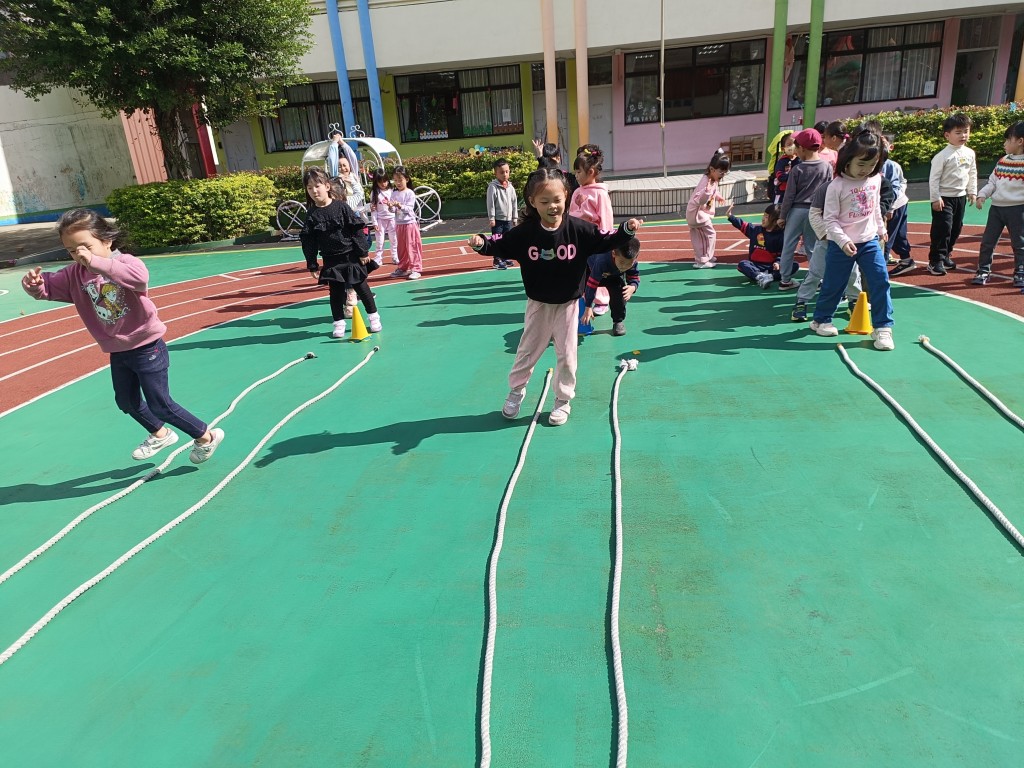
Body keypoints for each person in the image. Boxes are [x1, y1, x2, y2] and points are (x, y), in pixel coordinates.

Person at [21, 209, 225, 463]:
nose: (79, 254)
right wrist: (34, 285)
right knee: (126, 401)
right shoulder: (75, 274)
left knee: (160, 404)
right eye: (71, 250)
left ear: (107, 240)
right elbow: (48, 287)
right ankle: (160, 434)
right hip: (118, 350)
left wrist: (95, 262)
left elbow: (139, 279)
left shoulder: (126, 263)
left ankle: (206, 437)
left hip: (147, 346)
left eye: (85, 247)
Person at [468, 167, 643, 426]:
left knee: (567, 355)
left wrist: (626, 230)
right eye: (544, 201)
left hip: (568, 306)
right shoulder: (525, 233)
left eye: (557, 200)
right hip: (538, 305)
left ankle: (562, 399)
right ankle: (516, 390)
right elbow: (500, 244)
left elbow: (606, 239)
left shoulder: (579, 230)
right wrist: (481, 243)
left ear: (567, 197)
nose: (552, 206)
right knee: (527, 352)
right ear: (532, 202)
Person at [810, 130, 895, 351]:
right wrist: (842, 240)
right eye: (861, 164)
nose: (866, 169)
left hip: (869, 241)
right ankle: (821, 320)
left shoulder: (875, 179)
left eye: (872, 164)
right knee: (834, 283)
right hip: (841, 244)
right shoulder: (836, 186)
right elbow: (829, 219)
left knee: (880, 279)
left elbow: (874, 208)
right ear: (848, 160)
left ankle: (883, 327)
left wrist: (881, 228)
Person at [300, 167, 382, 338]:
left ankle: (374, 318)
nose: (314, 191)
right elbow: (308, 241)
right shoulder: (311, 215)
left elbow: (356, 229)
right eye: (309, 188)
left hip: (350, 256)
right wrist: (312, 264)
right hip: (331, 260)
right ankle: (338, 323)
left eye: (317, 186)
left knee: (362, 288)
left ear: (327, 186)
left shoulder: (341, 207)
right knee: (336, 294)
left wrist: (362, 251)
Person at [777, 128, 833, 290]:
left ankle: (785, 280)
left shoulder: (797, 169)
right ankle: (818, 279)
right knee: (813, 247)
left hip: (796, 211)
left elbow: (789, 196)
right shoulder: (827, 167)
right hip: (816, 212)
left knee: (789, 245)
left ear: (801, 148)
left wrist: (782, 216)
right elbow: (829, 192)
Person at [972, 121, 1024, 287]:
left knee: (1020, 243)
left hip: (1018, 210)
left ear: (1020, 141)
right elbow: (992, 182)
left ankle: (1020, 272)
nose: (1004, 144)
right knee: (988, 241)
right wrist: (982, 195)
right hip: (997, 209)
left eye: (1008, 140)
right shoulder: (1003, 161)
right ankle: (983, 270)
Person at [927, 113, 977, 276]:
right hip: (944, 198)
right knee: (943, 228)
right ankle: (935, 260)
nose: (963, 135)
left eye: (966, 131)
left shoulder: (970, 153)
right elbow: (934, 178)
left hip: (960, 197)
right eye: (958, 132)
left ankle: (946, 255)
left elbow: (972, 173)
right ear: (947, 135)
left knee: (956, 227)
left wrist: (972, 191)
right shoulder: (942, 156)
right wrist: (935, 198)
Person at [580, 237, 641, 336]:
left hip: (613, 276)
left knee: (620, 292)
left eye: (628, 264)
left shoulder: (631, 262)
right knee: (578, 290)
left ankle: (618, 321)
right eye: (621, 262)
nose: (624, 267)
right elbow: (592, 285)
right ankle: (576, 318)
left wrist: (633, 287)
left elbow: (634, 277)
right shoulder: (602, 261)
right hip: (590, 270)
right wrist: (588, 306)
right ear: (613, 253)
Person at [687, 149, 730, 268]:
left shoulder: (713, 180)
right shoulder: (705, 182)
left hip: (700, 214)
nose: (723, 175)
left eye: (725, 172)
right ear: (712, 169)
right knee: (708, 235)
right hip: (696, 214)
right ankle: (702, 260)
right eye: (721, 172)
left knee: (705, 236)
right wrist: (706, 192)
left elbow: (714, 190)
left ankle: (705, 256)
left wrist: (718, 196)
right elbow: (699, 200)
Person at [727, 204, 784, 288]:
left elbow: (782, 254)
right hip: (755, 266)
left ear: (776, 221)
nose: (763, 218)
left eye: (767, 217)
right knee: (742, 264)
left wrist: (777, 263)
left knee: (794, 265)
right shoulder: (755, 230)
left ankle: (769, 277)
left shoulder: (780, 236)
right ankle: (759, 276)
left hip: (771, 267)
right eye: (764, 215)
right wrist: (730, 216)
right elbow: (742, 225)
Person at [388, 165, 424, 280]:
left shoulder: (410, 193)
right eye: (395, 180)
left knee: (412, 246)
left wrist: (400, 206)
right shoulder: (394, 193)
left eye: (400, 180)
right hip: (399, 224)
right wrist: (390, 207)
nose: (398, 183)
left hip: (409, 224)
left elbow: (409, 208)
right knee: (401, 248)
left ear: (406, 179)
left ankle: (416, 269)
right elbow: (393, 210)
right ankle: (403, 268)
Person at [486, 158, 518, 270]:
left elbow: (514, 202)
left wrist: (515, 217)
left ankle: (504, 257)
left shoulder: (510, 187)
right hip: (498, 220)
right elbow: (490, 203)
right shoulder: (493, 187)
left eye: (507, 171)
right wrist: (492, 218)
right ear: (495, 173)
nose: (505, 174)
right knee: (497, 239)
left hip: (508, 220)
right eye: (501, 172)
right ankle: (497, 259)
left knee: (506, 239)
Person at [369, 170, 399, 266]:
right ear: (376, 182)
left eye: (385, 181)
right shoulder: (375, 193)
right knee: (379, 240)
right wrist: (374, 222)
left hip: (392, 219)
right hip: (380, 220)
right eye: (380, 182)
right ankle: (378, 257)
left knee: (394, 239)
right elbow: (373, 209)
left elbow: (395, 207)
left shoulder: (392, 191)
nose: (383, 184)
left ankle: (395, 256)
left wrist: (392, 207)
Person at [766, 130, 798, 204]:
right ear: (783, 149)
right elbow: (780, 176)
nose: (793, 146)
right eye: (789, 144)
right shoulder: (782, 161)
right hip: (782, 192)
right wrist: (794, 176)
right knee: (779, 208)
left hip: (795, 191)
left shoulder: (799, 159)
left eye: (794, 144)